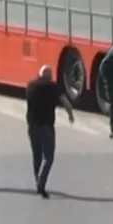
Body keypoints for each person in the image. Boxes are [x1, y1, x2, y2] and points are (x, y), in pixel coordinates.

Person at [25, 64, 74, 198]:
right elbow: (66, 102)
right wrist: (70, 115)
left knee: (36, 154)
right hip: (47, 126)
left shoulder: (30, 86)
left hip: (32, 126)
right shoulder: (54, 88)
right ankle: (41, 182)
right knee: (48, 157)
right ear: (50, 76)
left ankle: (37, 180)